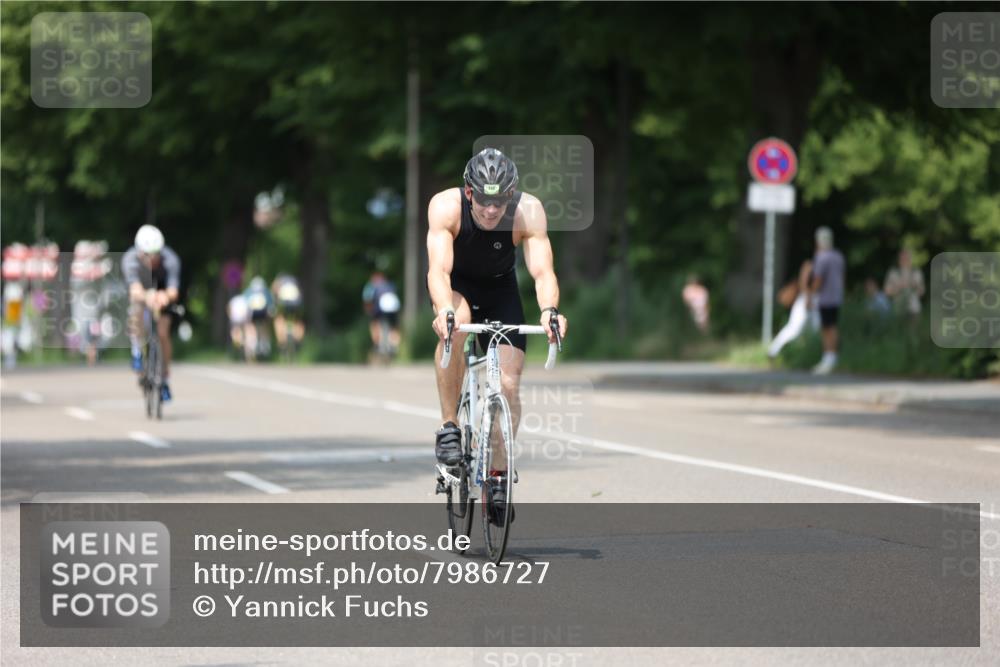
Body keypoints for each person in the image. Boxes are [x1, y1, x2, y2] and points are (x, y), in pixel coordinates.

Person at [426, 147, 568, 524]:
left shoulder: (528, 211)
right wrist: (443, 310)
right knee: (459, 322)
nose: (492, 211)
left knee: (508, 382)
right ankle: (449, 427)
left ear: (511, 195)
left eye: (500, 202)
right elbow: (438, 271)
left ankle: (499, 475)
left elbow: (542, 272)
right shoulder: (445, 207)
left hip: (500, 289)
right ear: (470, 192)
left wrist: (550, 311)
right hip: (455, 287)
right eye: (484, 201)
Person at [121, 225, 181, 402]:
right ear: (139, 251)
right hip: (142, 290)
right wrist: (147, 295)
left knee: (163, 333)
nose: (152, 258)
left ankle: (164, 377)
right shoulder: (130, 259)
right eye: (147, 254)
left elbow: (173, 290)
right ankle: (137, 350)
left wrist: (165, 296)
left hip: (162, 292)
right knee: (136, 311)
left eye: (156, 253)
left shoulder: (170, 259)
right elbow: (134, 289)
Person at [809, 226, 845, 375]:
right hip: (836, 296)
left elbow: (818, 279)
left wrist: (811, 295)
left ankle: (828, 358)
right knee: (833, 326)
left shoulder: (821, 257)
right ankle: (832, 357)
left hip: (825, 298)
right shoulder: (838, 256)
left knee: (826, 328)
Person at [768, 259, 819, 360]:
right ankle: (773, 351)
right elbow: (803, 282)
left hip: (817, 300)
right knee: (794, 328)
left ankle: (809, 355)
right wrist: (808, 297)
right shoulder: (810, 264)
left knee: (816, 330)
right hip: (806, 300)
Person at [362, 271, 401, 360]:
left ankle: (377, 344)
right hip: (394, 306)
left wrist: (369, 311)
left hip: (381, 307)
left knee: (375, 323)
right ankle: (394, 345)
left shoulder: (371, 286)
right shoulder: (390, 285)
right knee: (394, 327)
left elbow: (367, 299)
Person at [884, 248, 924, 321]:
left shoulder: (916, 272)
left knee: (913, 331)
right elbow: (887, 292)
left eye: (907, 258)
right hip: (898, 310)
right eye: (902, 258)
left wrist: (914, 285)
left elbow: (921, 292)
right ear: (899, 259)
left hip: (913, 309)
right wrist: (898, 287)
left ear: (910, 259)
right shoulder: (893, 273)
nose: (905, 260)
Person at [271, 273, 305, 356]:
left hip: (284, 301)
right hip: (296, 301)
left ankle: (281, 343)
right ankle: (298, 340)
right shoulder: (294, 280)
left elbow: (274, 291)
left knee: (279, 318)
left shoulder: (279, 280)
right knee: (297, 320)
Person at [242, 276, 275, 361]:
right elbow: (271, 306)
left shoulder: (248, 292)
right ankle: (264, 343)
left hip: (252, 312)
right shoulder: (265, 291)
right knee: (264, 325)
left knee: (250, 327)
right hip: (263, 312)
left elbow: (244, 304)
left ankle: (252, 343)